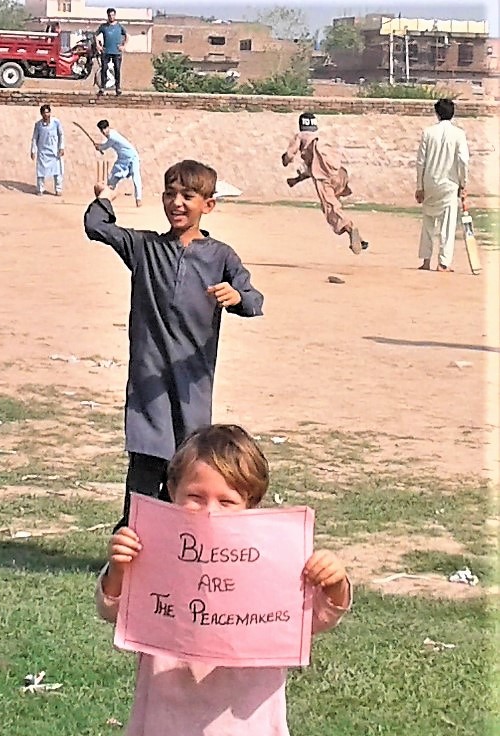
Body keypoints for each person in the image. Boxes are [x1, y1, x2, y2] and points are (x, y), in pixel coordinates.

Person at [98, 424, 351, 736]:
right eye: (195, 497)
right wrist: (120, 568)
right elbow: (113, 608)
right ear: (171, 494)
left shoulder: (272, 563)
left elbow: (317, 616)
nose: (209, 512)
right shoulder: (153, 553)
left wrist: (334, 581)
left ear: (252, 505)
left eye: (227, 501)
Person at [85, 159, 263, 529]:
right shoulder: (144, 248)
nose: (177, 203)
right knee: (145, 470)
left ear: (208, 205)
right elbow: (97, 227)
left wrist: (236, 296)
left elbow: (253, 298)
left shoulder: (220, 257)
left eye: (188, 195)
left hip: (193, 385)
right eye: (170, 194)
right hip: (149, 385)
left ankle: (183, 548)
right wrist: (104, 198)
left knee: (190, 464)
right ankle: (132, 552)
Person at [283, 112, 368, 255]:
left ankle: (350, 229)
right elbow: (316, 165)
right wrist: (296, 180)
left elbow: (291, 156)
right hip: (339, 175)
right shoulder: (321, 138)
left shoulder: (301, 137)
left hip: (323, 180)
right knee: (335, 204)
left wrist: (285, 159)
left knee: (330, 209)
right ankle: (359, 239)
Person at [416, 97, 470, 272]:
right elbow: (463, 161)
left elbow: (420, 162)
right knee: (447, 225)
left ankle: (425, 261)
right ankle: (443, 263)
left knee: (428, 223)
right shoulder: (459, 134)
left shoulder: (428, 132)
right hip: (449, 184)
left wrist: (419, 186)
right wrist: (463, 184)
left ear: (437, 113)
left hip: (430, 182)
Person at [96, 119, 143, 206]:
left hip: (132, 156)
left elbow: (106, 145)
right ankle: (107, 197)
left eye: (104, 129)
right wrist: (99, 146)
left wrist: (99, 147)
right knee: (112, 177)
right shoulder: (111, 135)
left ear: (108, 127)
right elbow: (105, 144)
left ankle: (138, 198)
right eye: (101, 130)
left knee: (136, 176)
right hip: (122, 159)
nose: (103, 132)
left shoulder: (112, 136)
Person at [31, 104, 65, 195]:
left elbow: (61, 135)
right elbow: (35, 138)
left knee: (57, 171)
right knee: (41, 172)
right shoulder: (38, 125)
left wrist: (61, 147)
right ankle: (40, 189)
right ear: (41, 114)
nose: (46, 115)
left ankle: (58, 189)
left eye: (48, 112)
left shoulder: (56, 122)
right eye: (44, 113)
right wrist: (33, 150)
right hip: (43, 152)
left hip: (54, 151)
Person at [94, 8, 127, 96]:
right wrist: (98, 45)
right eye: (109, 15)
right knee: (104, 68)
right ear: (107, 16)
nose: (111, 17)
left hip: (116, 51)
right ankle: (102, 87)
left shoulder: (119, 26)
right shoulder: (104, 26)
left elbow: (126, 36)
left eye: (112, 15)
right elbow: (96, 34)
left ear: (115, 15)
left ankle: (118, 87)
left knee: (117, 69)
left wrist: (123, 45)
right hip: (106, 51)